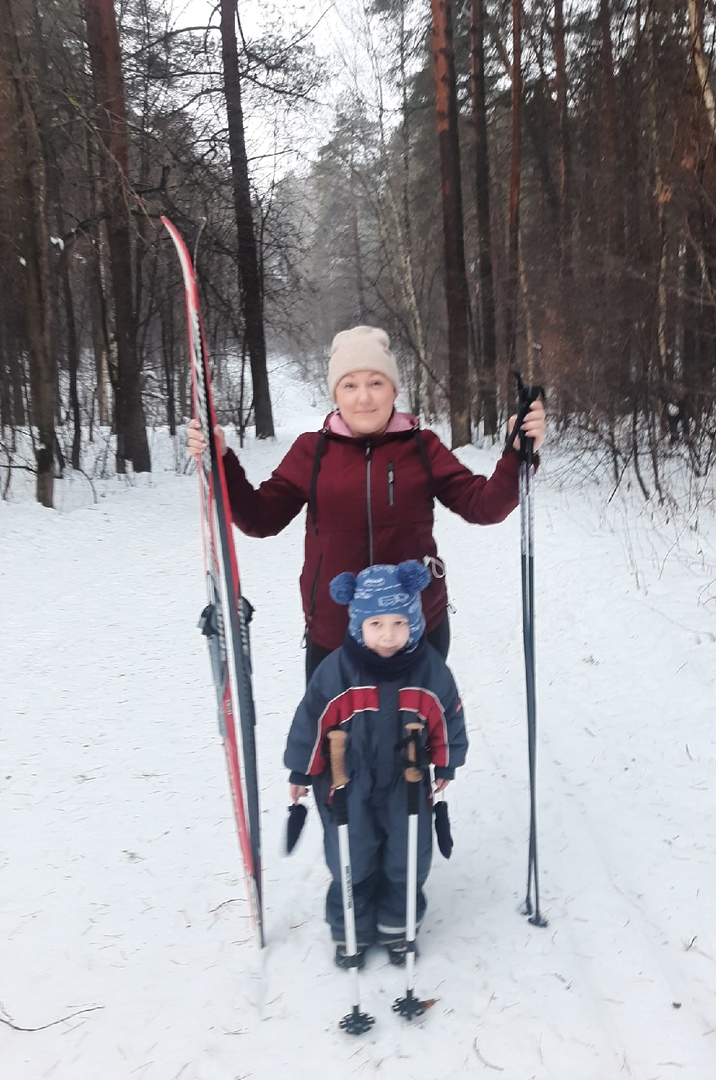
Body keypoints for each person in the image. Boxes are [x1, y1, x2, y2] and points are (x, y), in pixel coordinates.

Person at [187, 325, 547, 680]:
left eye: (376, 382)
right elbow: (260, 519)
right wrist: (221, 462)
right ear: (335, 393)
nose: (363, 398)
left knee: (420, 722)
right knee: (335, 723)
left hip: (415, 628)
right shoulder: (311, 452)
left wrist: (519, 454)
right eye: (350, 385)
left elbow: (483, 506)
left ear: (393, 389)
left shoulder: (422, 447)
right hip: (334, 634)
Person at [283, 559, 468, 968]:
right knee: (353, 857)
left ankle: (398, 926)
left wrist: (446, 763)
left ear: (414, 621)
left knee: (407, 856)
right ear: (358, 624)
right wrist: (301, 770)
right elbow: (311, 719)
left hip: (407, 781)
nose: (388, 635)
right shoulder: (337, 672)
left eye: (399, 623)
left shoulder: (428, 670)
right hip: (348, 783)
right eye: (376, 624)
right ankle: (351, 928)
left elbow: (448, 716)